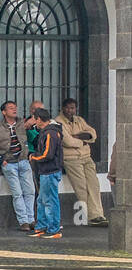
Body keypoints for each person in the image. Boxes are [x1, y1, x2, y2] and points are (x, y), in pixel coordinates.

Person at [58, 96, 107, 226]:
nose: (70, 110)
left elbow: (93, 134)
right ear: (63, 108)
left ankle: (98, 214)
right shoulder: (59, 122)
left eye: (72, 108)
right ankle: (91, 217)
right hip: (71, 159)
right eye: (67, 107)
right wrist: (84, 140)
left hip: (86, 157)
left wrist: (79, 137)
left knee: (94, 185)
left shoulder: (79, 120)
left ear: (76, 109)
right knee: (82, 187)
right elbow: (67, 141)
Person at [0, 99, 35, 231]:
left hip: (23, 160)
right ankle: (23, 222)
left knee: (30, 191)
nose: (14, 109)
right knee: (17, 193)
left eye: (15, 107)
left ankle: (31, 219)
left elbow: (34, 125)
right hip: (9, 163)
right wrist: (1, 160)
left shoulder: (22, 123)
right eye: (10, 108)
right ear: (4, 112)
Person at [29, 106, 65, 238]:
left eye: (35, 119)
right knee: (42, 199)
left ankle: (53, 228)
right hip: (45, 171)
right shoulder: (46, 132)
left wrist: (34, 157)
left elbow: (47, 154)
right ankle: (42, 226)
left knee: (50, 200)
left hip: (50, 171)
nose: (34, 122)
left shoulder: (50, 133)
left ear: (39, 119)